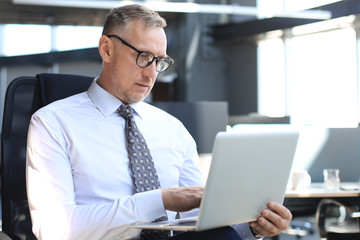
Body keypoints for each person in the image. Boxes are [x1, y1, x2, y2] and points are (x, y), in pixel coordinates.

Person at [26, 4, 292, 240]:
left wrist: (253, 227)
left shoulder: (172, 128)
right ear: (107, 49)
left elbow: (203, 219)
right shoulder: (53, 123)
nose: (151, 72)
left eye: (159, 61)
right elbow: (54, 231)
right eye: (142, 56)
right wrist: (159, 200)